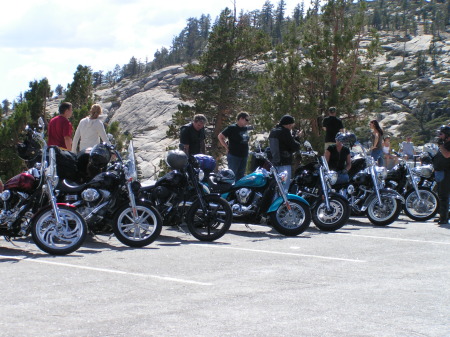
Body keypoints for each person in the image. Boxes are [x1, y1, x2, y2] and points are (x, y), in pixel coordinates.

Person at [268, 115, 301, 191]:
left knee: (275, 188)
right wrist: (297, 138)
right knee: (284, 188)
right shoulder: (285, 132)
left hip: (274, 163)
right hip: (284, 163)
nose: (291, 128)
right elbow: (294, 146)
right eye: (291, 126)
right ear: (288, 124)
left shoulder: (273, 131)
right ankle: (282, 203)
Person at [218, 112, 252, 181]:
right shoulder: (232, 128)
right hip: (234, 155)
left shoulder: (245, 128)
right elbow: (220, 136)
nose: (247, 122)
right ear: (241, 118)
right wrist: (226, 147)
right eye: (246, 120)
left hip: (244, 155)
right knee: (232, 175)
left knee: (241, 176)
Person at [433, 125, 450, 225]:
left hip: (447, 172)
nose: (439, 136)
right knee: (441, 195)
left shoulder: (447, 145)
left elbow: (447, 155)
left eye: (441, 134)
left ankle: (443, 218)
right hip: (441, 172)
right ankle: (443, 215)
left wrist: (440, 145)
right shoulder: (445, 143)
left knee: (444, 196)